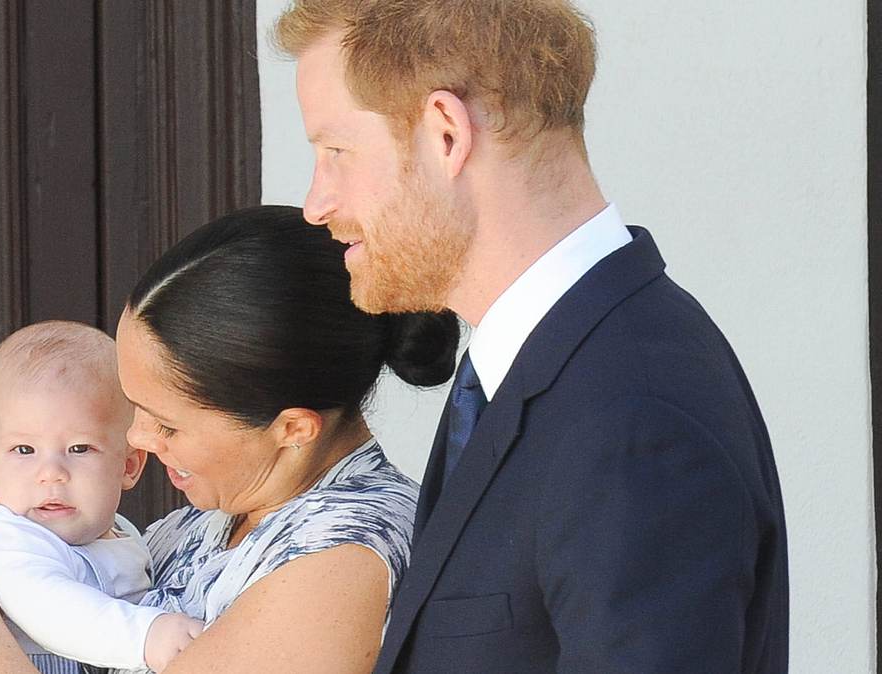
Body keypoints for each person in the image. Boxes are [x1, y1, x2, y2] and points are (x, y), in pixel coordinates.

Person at [275, 1, 789, 672]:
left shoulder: (631, 414)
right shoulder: (538, 371)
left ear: (446, 134)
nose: (318, 204)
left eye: (336, 151)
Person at [0, 206, 461, 673]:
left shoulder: (339, 562)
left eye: (168, 423)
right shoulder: (203, 521)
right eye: (136, 409)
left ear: (292, 428)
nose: (137, 438)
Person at [0, 321, 203, 674]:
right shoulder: (13, 542)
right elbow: (51, 609)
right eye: (24, 450)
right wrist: (146, 636)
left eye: (79, 448)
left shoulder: (121, 533)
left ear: (129, 466)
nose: (51, 472)